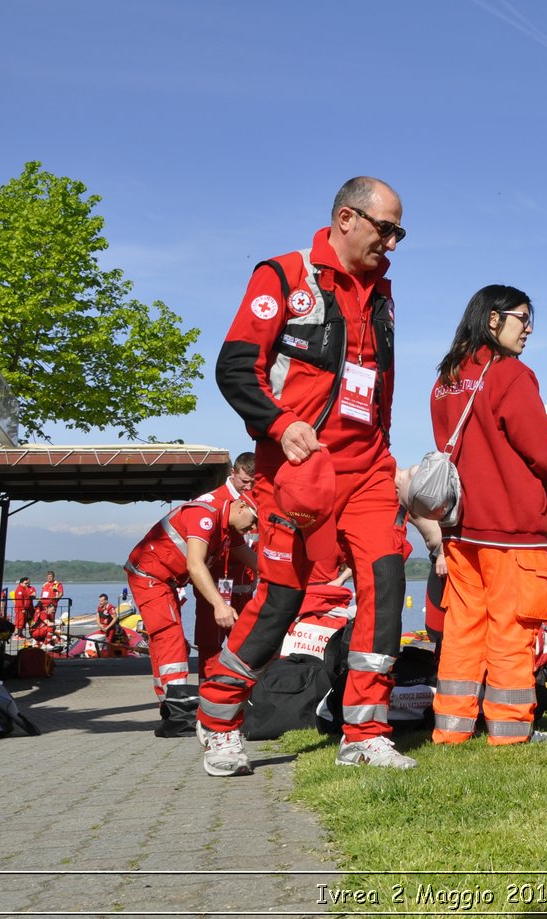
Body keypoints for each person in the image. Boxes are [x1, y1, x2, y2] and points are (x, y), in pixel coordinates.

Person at [199, 176, 412, 776]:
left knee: (385, 583)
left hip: (369, 468)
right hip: (296, 473)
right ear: (347, 218)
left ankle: (365, 731)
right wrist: (279, 424)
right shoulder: (284, 276)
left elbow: (378, 384)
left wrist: (387, 450)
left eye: (399, 232)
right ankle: (217, 717)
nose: (392, 243)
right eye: (385, 229)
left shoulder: (384, 295)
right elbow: (237, 369)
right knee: (280, 600)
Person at [423, 284, 547, 747]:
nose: (529, 328)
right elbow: (541, 448)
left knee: (462, 626)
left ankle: (452, 728)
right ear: (494, 319)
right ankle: (509, 728)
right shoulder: (510, 374)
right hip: (511, 528)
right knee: (511, 625)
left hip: (460, 529)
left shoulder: (445, 379)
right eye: (523, 317)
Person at [124, 488, 259, 736]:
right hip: (150, 576)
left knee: (165, 641)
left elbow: (255, 561)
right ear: (241, 507)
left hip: (167, 581)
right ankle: (179, 715)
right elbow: (195, 565)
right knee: (170, 637)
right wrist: (220, 604)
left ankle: (169, 706)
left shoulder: (228, 527)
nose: (253, 529)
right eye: (253, 520)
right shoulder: (204, 515)